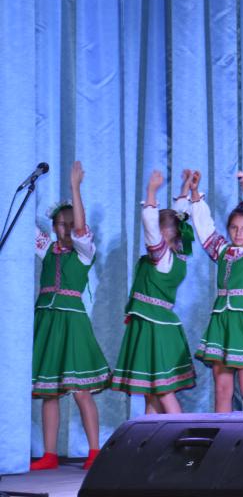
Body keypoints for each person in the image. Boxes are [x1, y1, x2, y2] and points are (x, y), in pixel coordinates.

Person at [30, 161, 108, 471]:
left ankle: (94, 451)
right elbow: (26, 227)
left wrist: (75, 188)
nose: (66, 229)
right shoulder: (47, 248)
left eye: (70, 224)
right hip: (47, 322)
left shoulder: (84, 252)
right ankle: (49, 454)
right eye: (60, 224)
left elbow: (81, 230)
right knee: (49, 392)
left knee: (80, 391)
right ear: (53, 227)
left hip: (73, 324)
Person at [188, 170, 243, 412]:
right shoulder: (223, 250)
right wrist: (194, 194)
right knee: (222, 389)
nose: (238, 233)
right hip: (223, 324)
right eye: (234, 228)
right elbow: (205, 229)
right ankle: (222, 434)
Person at [109, 169, 197, 412]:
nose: (152, 236)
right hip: (155, 326)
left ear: (164, 234)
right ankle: (152, 435)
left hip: (155, 328)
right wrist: (184, 191)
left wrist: (151, 192)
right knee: (152, 394)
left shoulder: (162, 258)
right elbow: (180, 218)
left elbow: (151, 226)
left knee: (164, 393)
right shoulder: (176, 255)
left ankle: (183, 435)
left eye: (159, 231)